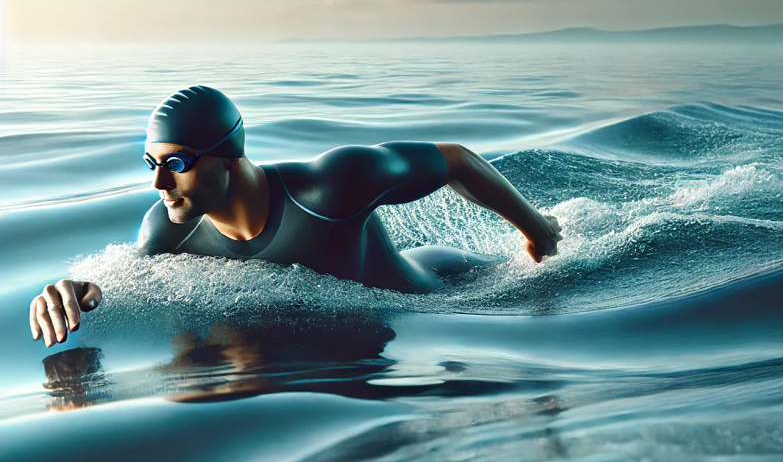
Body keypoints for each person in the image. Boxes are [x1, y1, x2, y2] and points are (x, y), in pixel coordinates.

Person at [30, 86, 562, 347]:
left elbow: (453, 161)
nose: (158, 184)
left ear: (228, 154)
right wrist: (76, 288)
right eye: (151, 164)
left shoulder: (331, 186)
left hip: (440, 286)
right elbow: (120, 280)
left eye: (177, 164)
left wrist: (536, 230)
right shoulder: (168, 228)